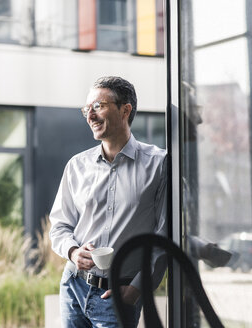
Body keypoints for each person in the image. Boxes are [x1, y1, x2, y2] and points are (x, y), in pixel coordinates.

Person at [49, 76, 167, 328]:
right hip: (73, 286)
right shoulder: (76, 166)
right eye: (86, 109)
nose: (90, 115)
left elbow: (164, 238)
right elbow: (59, 226)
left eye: (98, 106)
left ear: (125, 109)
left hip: (119, 295)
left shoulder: (159, 165)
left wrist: (136, 289)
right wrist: (72, 251)